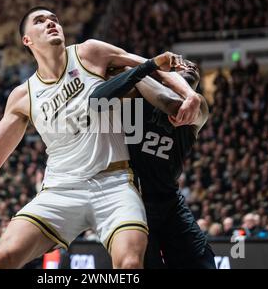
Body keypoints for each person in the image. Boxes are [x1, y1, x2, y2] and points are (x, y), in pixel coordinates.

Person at [0, 6, 200, 269]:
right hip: (60, 189)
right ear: (27, 40)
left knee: (130, 263)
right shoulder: (22, 96)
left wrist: (189, 95)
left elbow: (153, 66)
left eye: (54, 19)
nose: (51, 23)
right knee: (3, 257)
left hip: (114, 183)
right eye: (41, 21)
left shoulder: (89, 53)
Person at [90, 59, 216, 268]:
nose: (191, 67)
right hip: (132, 204)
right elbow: (96, 100)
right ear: (165, 75)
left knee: (201, 261)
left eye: (194, 68)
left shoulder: (198, 105)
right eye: (181, 65)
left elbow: (170, 103)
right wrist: (143, 72)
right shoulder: (133, 99)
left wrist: (134, 70)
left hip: (169, 201)